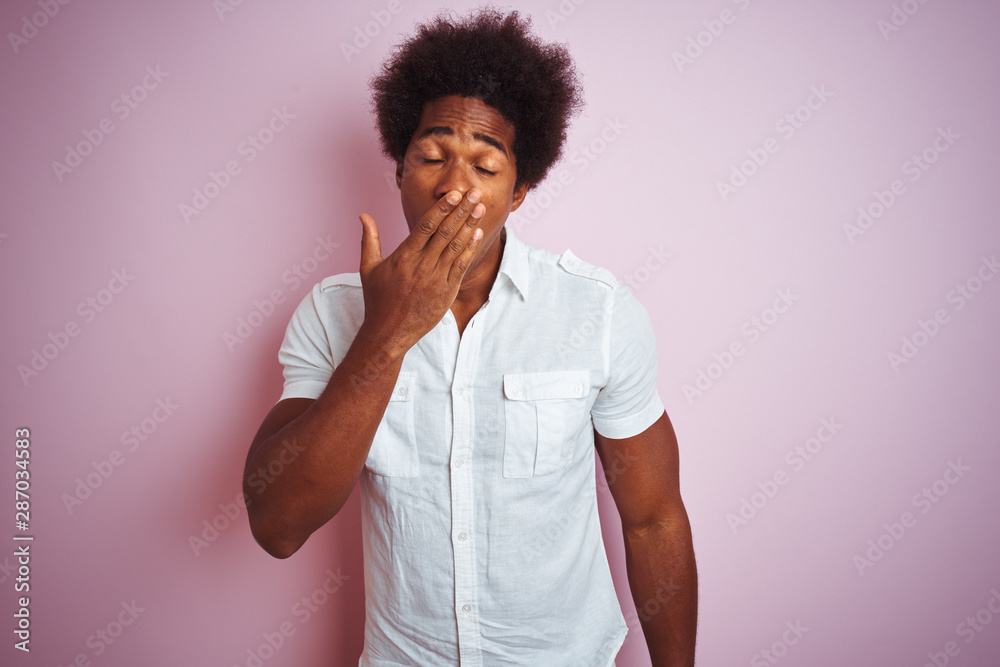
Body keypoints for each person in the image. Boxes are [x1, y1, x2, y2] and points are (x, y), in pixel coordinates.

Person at [243, 8, 697, 666]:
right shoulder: (331, 313)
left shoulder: (595, 312)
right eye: (432, 156)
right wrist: (386, 334)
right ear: (400, 167)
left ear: (520, 190)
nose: (455, 188)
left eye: (485, 167)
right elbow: (277, 524)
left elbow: (654, 516)